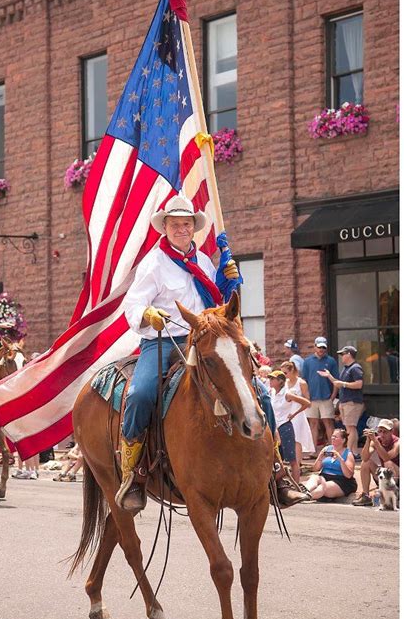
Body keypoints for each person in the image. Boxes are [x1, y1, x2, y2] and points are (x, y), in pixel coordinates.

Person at [118, 194, 242, 513]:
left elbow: (218, 303)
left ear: (193, 228)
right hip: (163, 339)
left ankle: (276, 470)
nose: (182, 229)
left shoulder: (203, 262)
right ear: (166, 228)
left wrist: (228, 282)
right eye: (175, 224)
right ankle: (132, 473)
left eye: (187, 224)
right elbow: (132, 304)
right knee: (141, 394)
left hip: (202, 337)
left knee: (252, 382)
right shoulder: (154, 263)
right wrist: (148, 315)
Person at [318, 345, 364, 460]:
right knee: (351, 427)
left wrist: (344, 384)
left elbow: (359, 384)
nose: (342, 357)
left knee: (350, 428)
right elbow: (338, 383)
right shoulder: (345, 368)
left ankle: (347, 454)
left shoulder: (355, 368)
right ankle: (353, 452)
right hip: (345, 401)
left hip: (352, 401)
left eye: (343, 354)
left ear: (349, 354)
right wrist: (329, 376)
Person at [302, 336, 339, 453]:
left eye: (323, 347)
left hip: (326, 398)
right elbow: (304, 381)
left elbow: (335, 381)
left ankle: (334, 449)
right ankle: (313, 450)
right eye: (319, 347)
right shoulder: (307, 362)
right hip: (312, 398)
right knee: (313, 424)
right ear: (315, 347)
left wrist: (333, 396)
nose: (321, 350)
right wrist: (306, 397)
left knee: (328, 422)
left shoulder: (331, 361)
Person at [352, 419, 400, 506]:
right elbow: (364, 457)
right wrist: (368, 441)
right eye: (380, 431)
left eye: (385, 432)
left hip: (397, 478)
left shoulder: (398, 442)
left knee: (388, 463)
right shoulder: (376, 440)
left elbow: (386, 457)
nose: (382, 434)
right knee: (366, 463)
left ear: (391, 432)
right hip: (384, 477)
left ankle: (392, 494)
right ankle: (366, 496)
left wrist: (376, 442)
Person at [268, 371, 302, 485]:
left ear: (280, 381)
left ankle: (296, 485)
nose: (270, 381)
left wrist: (294, 414)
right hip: (275, 428)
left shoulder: (287, 394)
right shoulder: (271, 392)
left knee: (292, 459)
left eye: (273, 379)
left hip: (285, 427)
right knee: (278, 459)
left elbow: (306, 403)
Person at [304, 428, 357, 501]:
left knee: (323, 486)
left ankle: (303, 497)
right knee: (314, 477)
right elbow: (315, 469)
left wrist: (340, 459)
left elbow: (348, 475)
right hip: (325, 476)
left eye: (336, 437)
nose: (333, 438)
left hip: (341, 480)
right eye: (332, 436)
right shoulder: (326, 449)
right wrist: (320, 457)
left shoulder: (348, 454)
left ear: (343, 440)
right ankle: (305, 493)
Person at [280, 361, 314, 467]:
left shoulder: (301, 383)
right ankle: (289, 461)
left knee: (297, 438)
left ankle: (298, 463)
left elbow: (307, 400)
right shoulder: (285, 383)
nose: (284, 376)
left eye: (285, 373)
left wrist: (295, 399)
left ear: (292, 371)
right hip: (286, 412)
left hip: (298, 412)